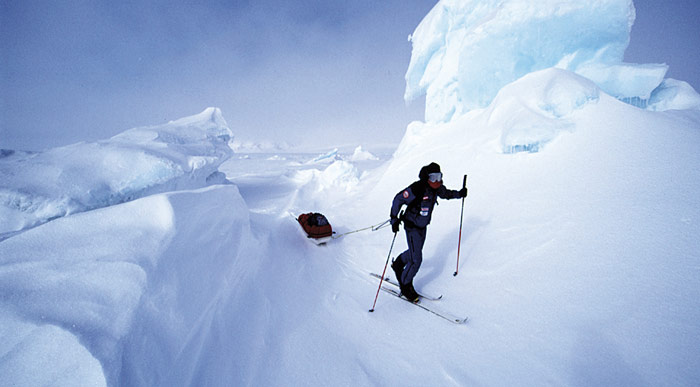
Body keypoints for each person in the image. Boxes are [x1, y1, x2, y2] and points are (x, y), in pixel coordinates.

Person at [389, 162, 467, 302]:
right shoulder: (417, 188)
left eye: (439, 176)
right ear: (426, 178)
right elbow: (398, 199)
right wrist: (394, 218)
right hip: (412, 225)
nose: (437, 181)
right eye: (433, 177)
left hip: (422, 226)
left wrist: (459, 194)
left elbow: (446, 193)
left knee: (415, 251)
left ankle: (399, 263)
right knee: (416, 259)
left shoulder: (436, 188)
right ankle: (405, 284)